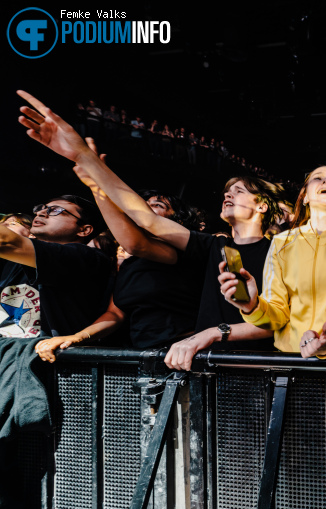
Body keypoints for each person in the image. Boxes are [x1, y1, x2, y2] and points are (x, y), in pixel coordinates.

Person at [16, 91, 277, 371]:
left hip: (249, 363)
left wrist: (214, 332)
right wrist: (84, 159)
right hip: (194, 365)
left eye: (238, 191)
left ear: (263, 206)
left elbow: (282, 317)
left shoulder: (279, 249)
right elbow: (142, 224)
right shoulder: (209, 248)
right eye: (226, 191)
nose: (228, 194)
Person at [34, 153, 206, 361]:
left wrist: (97, 184)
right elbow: (115, 314)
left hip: (185, 356)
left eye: (158, 205)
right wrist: (77, 337)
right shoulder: (129, 265)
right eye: (142, 204)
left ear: (177, 220)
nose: (145, 209)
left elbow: (135, 243)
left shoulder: (183, 252)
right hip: (143, 356)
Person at [219, 165, 326, 359]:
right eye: (317, 178)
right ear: (306, 197)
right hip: (290, 361)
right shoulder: (281, 243)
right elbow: (278, 314)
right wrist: (253, 306)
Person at [0, 195, 111, 338]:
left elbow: (5, 242)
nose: (40, 213)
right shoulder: (16, 261)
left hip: (48, 356)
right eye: (42, 208)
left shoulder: (88, 258)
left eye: (56, 210)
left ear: (84, 230)